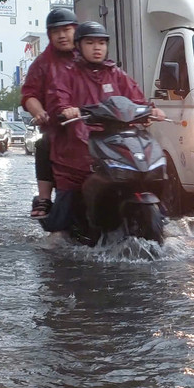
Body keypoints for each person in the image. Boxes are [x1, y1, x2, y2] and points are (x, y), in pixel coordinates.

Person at [42, 21, 162, 233]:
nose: (97, 48)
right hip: (76, 150)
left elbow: (137, 99)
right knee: (60, 223)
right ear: (78, 46)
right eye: (90, 43)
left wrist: (150, 110)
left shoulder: (116, 74)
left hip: (117, 143)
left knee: (152, 172)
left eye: (101, 43)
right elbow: (58, 99)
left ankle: (159, 217)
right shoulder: (66, 74)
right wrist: (66, 109)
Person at [21, 7, 79, 218]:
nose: (62, 35)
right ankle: (44, 197)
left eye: (66, 29)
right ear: (49, 35)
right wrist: (39, 112)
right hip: (59, 127)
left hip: (92, 125)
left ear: (76, 30)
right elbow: (29, 95)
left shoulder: (88, 58)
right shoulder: (42, 64)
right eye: (56, 31)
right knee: (44, 144)